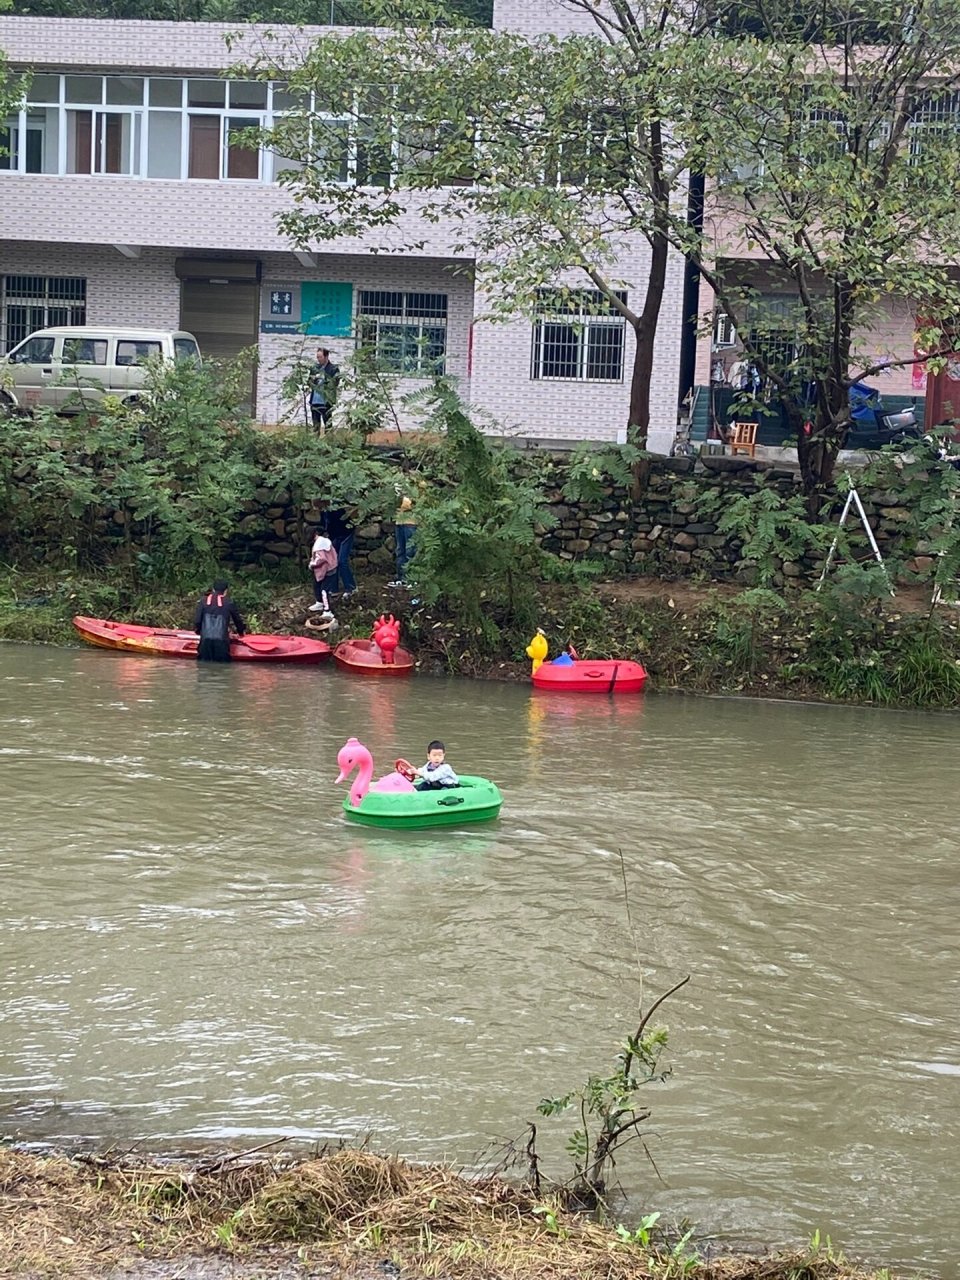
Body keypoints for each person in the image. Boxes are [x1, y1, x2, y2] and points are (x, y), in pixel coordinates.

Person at [193, 579, 246, 662]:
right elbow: (237, 620)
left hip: (205, 642)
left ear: (213, 589)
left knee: (203, 668)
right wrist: (241, 632)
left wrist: (198, 631)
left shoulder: (203, 601)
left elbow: (197, 621)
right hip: (222, 642)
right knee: (222, 668)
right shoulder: (229, 602)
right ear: (226, 591)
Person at [322, 505, 357, 598]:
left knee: (342, 561)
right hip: (335, 536)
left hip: (346, 533)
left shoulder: (336, 509)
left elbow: (340, 524)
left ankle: (351, 588)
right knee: (332, 561)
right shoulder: (324, 512)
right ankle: (334, 589)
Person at [389, 490, 417, 587]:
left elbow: (411, 505)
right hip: (399, 522)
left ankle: (411, 578)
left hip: (411, 523)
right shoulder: (398, 485)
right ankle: (400, 578)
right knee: (400, 550)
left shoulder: (417, 484)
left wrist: (402, 502)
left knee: (410, 551)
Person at [308, 528, 338, 614]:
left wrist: (312, 564)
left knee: (324, 590)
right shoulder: (324, 541)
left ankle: (327, 611)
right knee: (316, 585)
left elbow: (320, 559)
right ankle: (319, 602)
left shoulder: (319, 546)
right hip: (326, 568)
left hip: (327, 570)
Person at [308, 348, 339, 429]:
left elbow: (335, 383)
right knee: (315, 427)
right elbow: (309, 382)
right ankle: (315, 441)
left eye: (320, 357)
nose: (318, 359)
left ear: (326, 357)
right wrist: (313, 380)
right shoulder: (314, 368)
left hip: (326, 402)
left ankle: (329, 441)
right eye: (317, 357)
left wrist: (324, 379)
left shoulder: (333, 369)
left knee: (328, 426)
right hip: (315, 401)